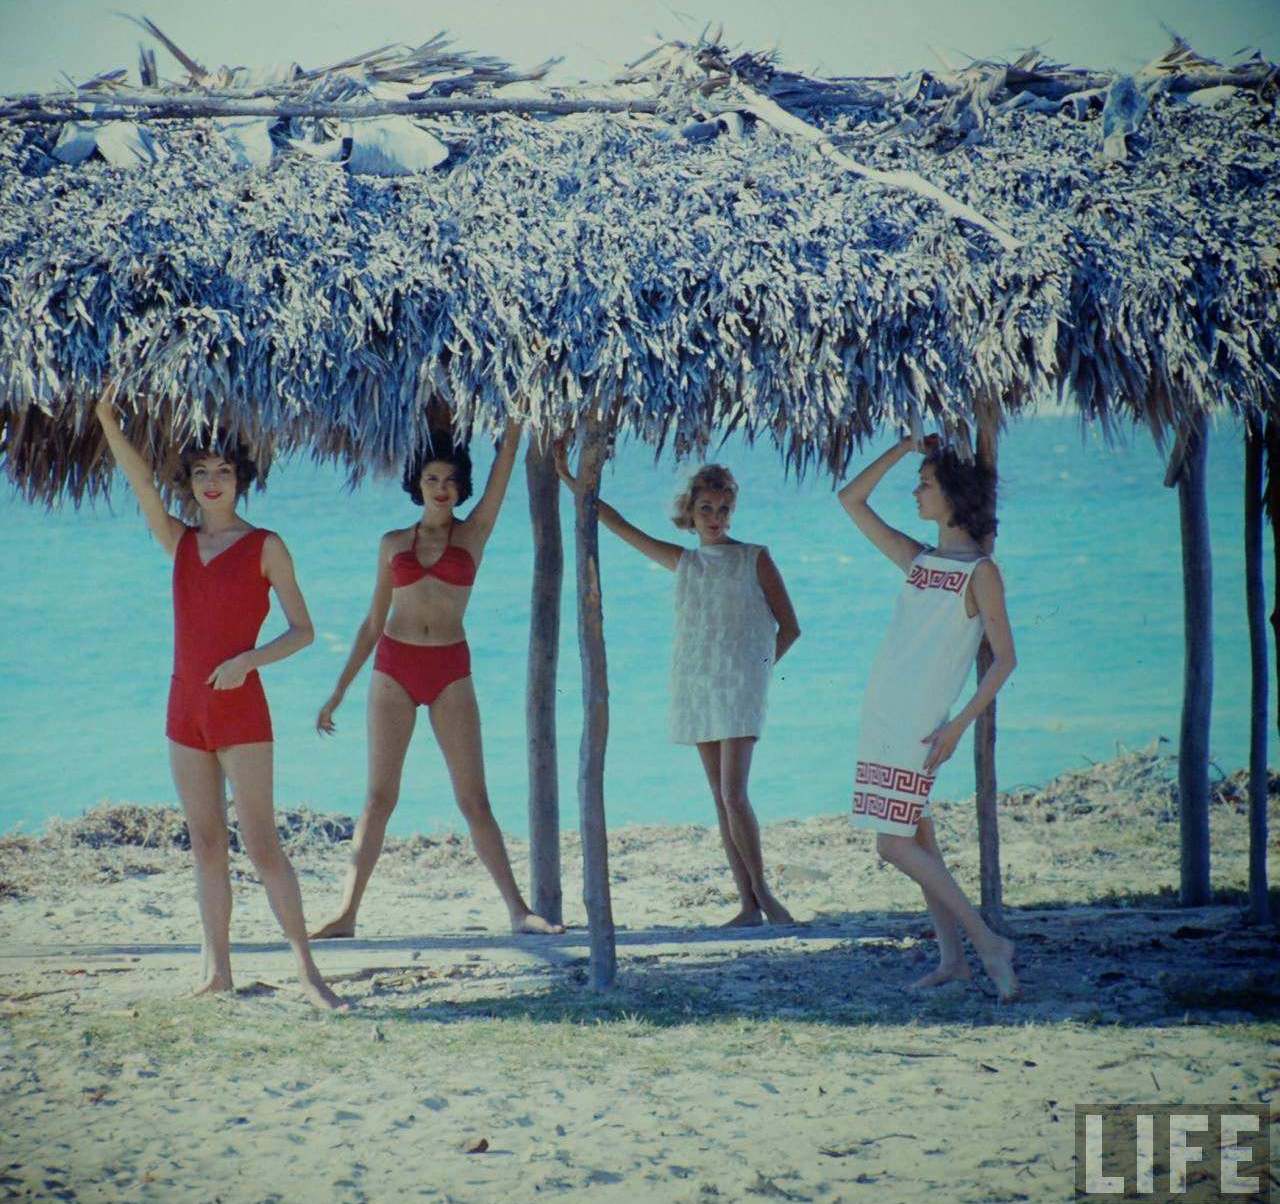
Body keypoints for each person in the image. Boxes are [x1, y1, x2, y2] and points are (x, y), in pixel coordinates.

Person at [94, 397, 347, 1011]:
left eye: (224, 472)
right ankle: (219, 974)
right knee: (206, 844)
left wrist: (247, 661)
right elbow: (138, 482)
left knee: (262, 846)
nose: (212, 483)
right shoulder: (177, 542)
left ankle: (309, 972)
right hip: (183, 711)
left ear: (242, 480)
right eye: (201, 472)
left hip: (241, 711)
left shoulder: (265, 546)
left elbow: (303, 630)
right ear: (190, 482)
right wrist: (106, 420)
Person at [311, 421, 562, 938]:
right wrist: (339, 689)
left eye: (449, 479)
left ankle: (518, 911)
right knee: (379, 798)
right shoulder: (391, 542)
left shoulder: (473, 534)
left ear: (460, 486)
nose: (441, 487)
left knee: (475, 800)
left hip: (450, 670)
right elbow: (372, 620)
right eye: (431, 478)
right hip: (393, 669)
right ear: (417, 484)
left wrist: (513, 428)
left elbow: (502, 471)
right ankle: (346, 913)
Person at [555, 450, 799, 927]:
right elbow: (619, 525)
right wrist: (570, 478)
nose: (715, 518)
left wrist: (758, 671)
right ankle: (747, 905)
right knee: (718, 798)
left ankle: (767, 896)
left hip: (740, 688)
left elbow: (788, 627)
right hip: (696, 685)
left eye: (723, 509)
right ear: (690, 512)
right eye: (705, 509)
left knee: (734, 795)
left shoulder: (755, 557)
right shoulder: (685, 562)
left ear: (734, 510)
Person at [838, 434, 1019, 1001]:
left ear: (954, 496)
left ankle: (989, 944)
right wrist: (900, 448)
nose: (915, 491)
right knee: (918, 837)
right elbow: (851, 499)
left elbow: (1005, 660)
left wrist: (957, 725)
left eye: (925, 482)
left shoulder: (979, 573)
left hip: (921, 723)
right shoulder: (921, 561)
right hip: (883, 712)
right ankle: (952, 959)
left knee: (892, 846)